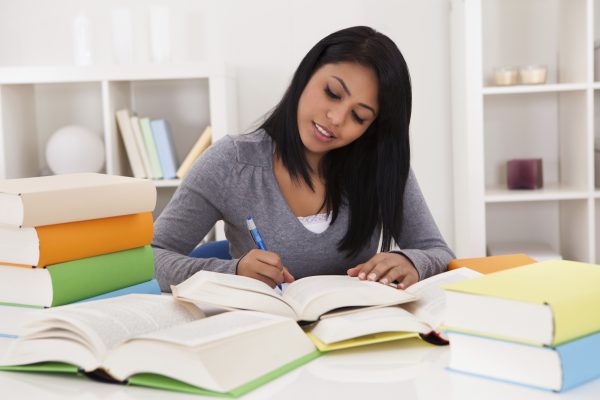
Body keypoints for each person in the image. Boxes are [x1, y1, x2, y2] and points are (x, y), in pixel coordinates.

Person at [152, 26, 455, 292]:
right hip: (261, 337)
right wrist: (231, 273)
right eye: (332, 93)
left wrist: (411, 262)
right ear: (306, 73)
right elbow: (150, 257)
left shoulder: (380, 167)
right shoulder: (231, 163)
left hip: (354, 338)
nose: (336, 118)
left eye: (359, 116)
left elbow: (440, 253)